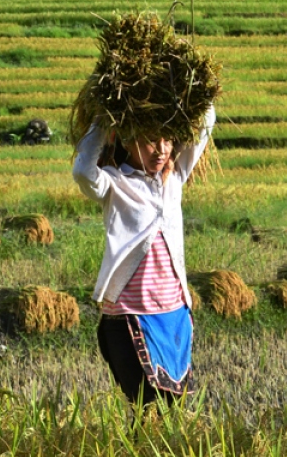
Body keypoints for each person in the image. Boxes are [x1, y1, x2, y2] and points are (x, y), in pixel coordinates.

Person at [72, 106, 216, 406]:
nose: (161, 150)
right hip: (129, 315)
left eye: (167, 140)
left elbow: (206, 122)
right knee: (144, 407)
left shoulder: (175, 178)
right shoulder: (114, 183)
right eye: (151, 141)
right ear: (125, 140)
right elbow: (82, 171)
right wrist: (103, 117)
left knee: (172, 413)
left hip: (174, 315)